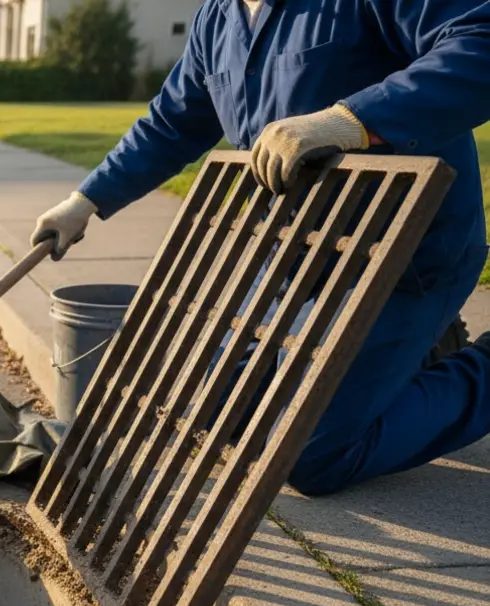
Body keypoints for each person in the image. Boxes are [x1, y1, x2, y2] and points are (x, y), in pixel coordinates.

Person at [31, 0, 490, 496]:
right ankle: (412, 356)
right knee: (222, 409)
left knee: (311, 454)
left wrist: (349, 120)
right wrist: (86, 201)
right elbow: (172, 123)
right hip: (297, 262)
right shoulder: (219, 17)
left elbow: (480, 44)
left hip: (402, 261)